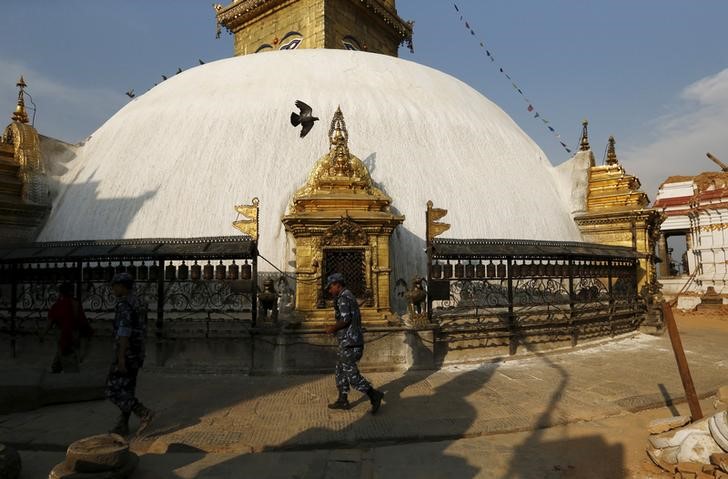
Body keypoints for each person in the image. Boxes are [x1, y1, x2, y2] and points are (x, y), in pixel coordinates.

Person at [323, 273, 384, 413]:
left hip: (350, 342)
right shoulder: (347, 295)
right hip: (349, 340)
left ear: (338, 284)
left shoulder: (343, 297)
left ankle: (374, 395)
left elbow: (345, 320)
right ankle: (342, 399)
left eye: (331, 287)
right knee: (340, 370)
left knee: (351, 374)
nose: (329, 290)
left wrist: (332, 328)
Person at [106, 272, 154, 436]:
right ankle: (122, 425)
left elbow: (124, 332)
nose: (113, 289)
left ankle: (143, 412)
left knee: (112, 390)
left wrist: (120, 358)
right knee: (128, 388)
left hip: (126, 353)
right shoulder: (139, 302)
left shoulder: (124, 304)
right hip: (138, 352)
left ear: (122, 286)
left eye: (114, 286)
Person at [41, 282, 91, 373]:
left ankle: (69, 375)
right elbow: (82, 321)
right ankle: (56, 367)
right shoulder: (76, 304)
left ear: (61, 293)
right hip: (74, 333)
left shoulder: (57, 305)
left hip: (61, 333)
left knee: (66, 353)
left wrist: (43, 334)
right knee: (64, 351)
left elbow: (50, 322)